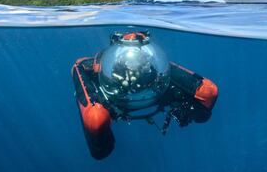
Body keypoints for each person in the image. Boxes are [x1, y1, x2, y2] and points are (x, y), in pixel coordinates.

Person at [71, 31, 218, 160]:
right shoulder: (102, 68)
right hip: (112, 89)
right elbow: (80, 64)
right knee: (96, 120)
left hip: (156, 87)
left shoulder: (155, 71)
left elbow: (209, 93)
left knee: (208, 92)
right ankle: (101, 146)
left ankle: (100, 146)